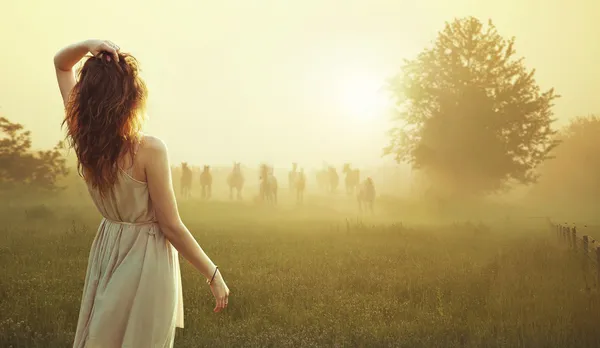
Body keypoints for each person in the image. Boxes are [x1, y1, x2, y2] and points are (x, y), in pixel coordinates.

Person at [54, 39, 230, 347]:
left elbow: (61, 63)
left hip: (109, 246)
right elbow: (171, 226)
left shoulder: (84, 136)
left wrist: (89, 44)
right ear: (131, 96)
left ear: (86, 96)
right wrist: (212, 273)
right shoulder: (149, 149)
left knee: (102, 335)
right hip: (147, 257)